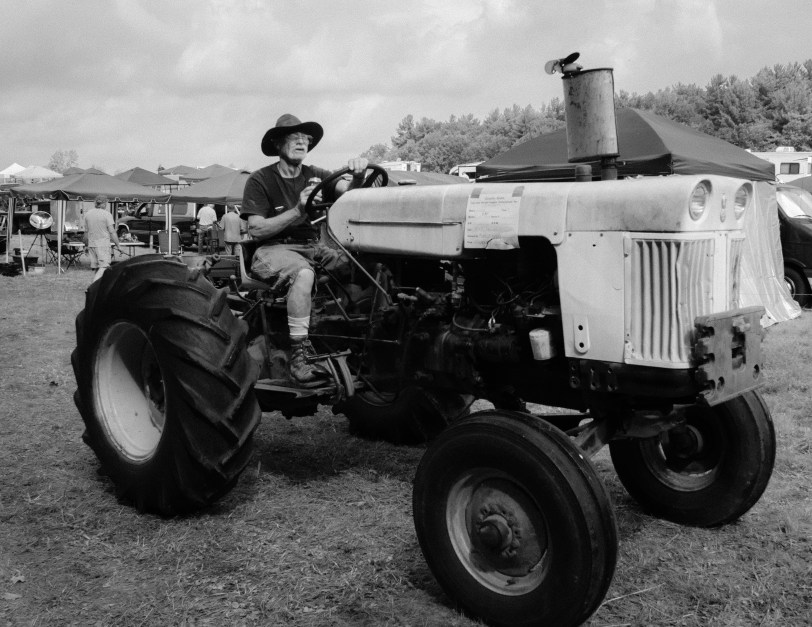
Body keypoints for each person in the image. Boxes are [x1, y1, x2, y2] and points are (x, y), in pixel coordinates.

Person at [241, 114, 369, 385]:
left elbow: (350, 194)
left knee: (366, 269)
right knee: (303, 274)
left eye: (305, 139)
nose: (301, 142)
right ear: (277, 144)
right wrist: (298, 210)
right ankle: (299, 357)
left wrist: (358, 177)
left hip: (313, 248)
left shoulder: (317, 175)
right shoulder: (260, 180)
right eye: (293, 138)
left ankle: (366, 343)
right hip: (273, 250)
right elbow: (257, 230)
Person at [83, 194, 121, 283]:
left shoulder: (88, 214)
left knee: (97, 268)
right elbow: (112, 232)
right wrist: (118, 245)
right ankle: (93, 287)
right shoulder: (107, 214)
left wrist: (85, 245)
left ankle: (97, 287)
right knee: (104, 267)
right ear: (104, 203)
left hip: (91, 244)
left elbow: (86, 232)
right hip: (102, 245)